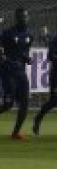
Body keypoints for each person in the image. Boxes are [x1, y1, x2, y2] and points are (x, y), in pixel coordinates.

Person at [0, 7, 35, 140]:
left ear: (28, 18)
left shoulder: (29, 35)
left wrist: (26, 58)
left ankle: (15, 133)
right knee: (8, 104)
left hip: (21, 73)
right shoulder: (8, 33)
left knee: (25, 103)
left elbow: (24, 51)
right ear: (16, 18)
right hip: (8, 72)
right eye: (20, 17)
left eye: (25, 16)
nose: (23, 19)